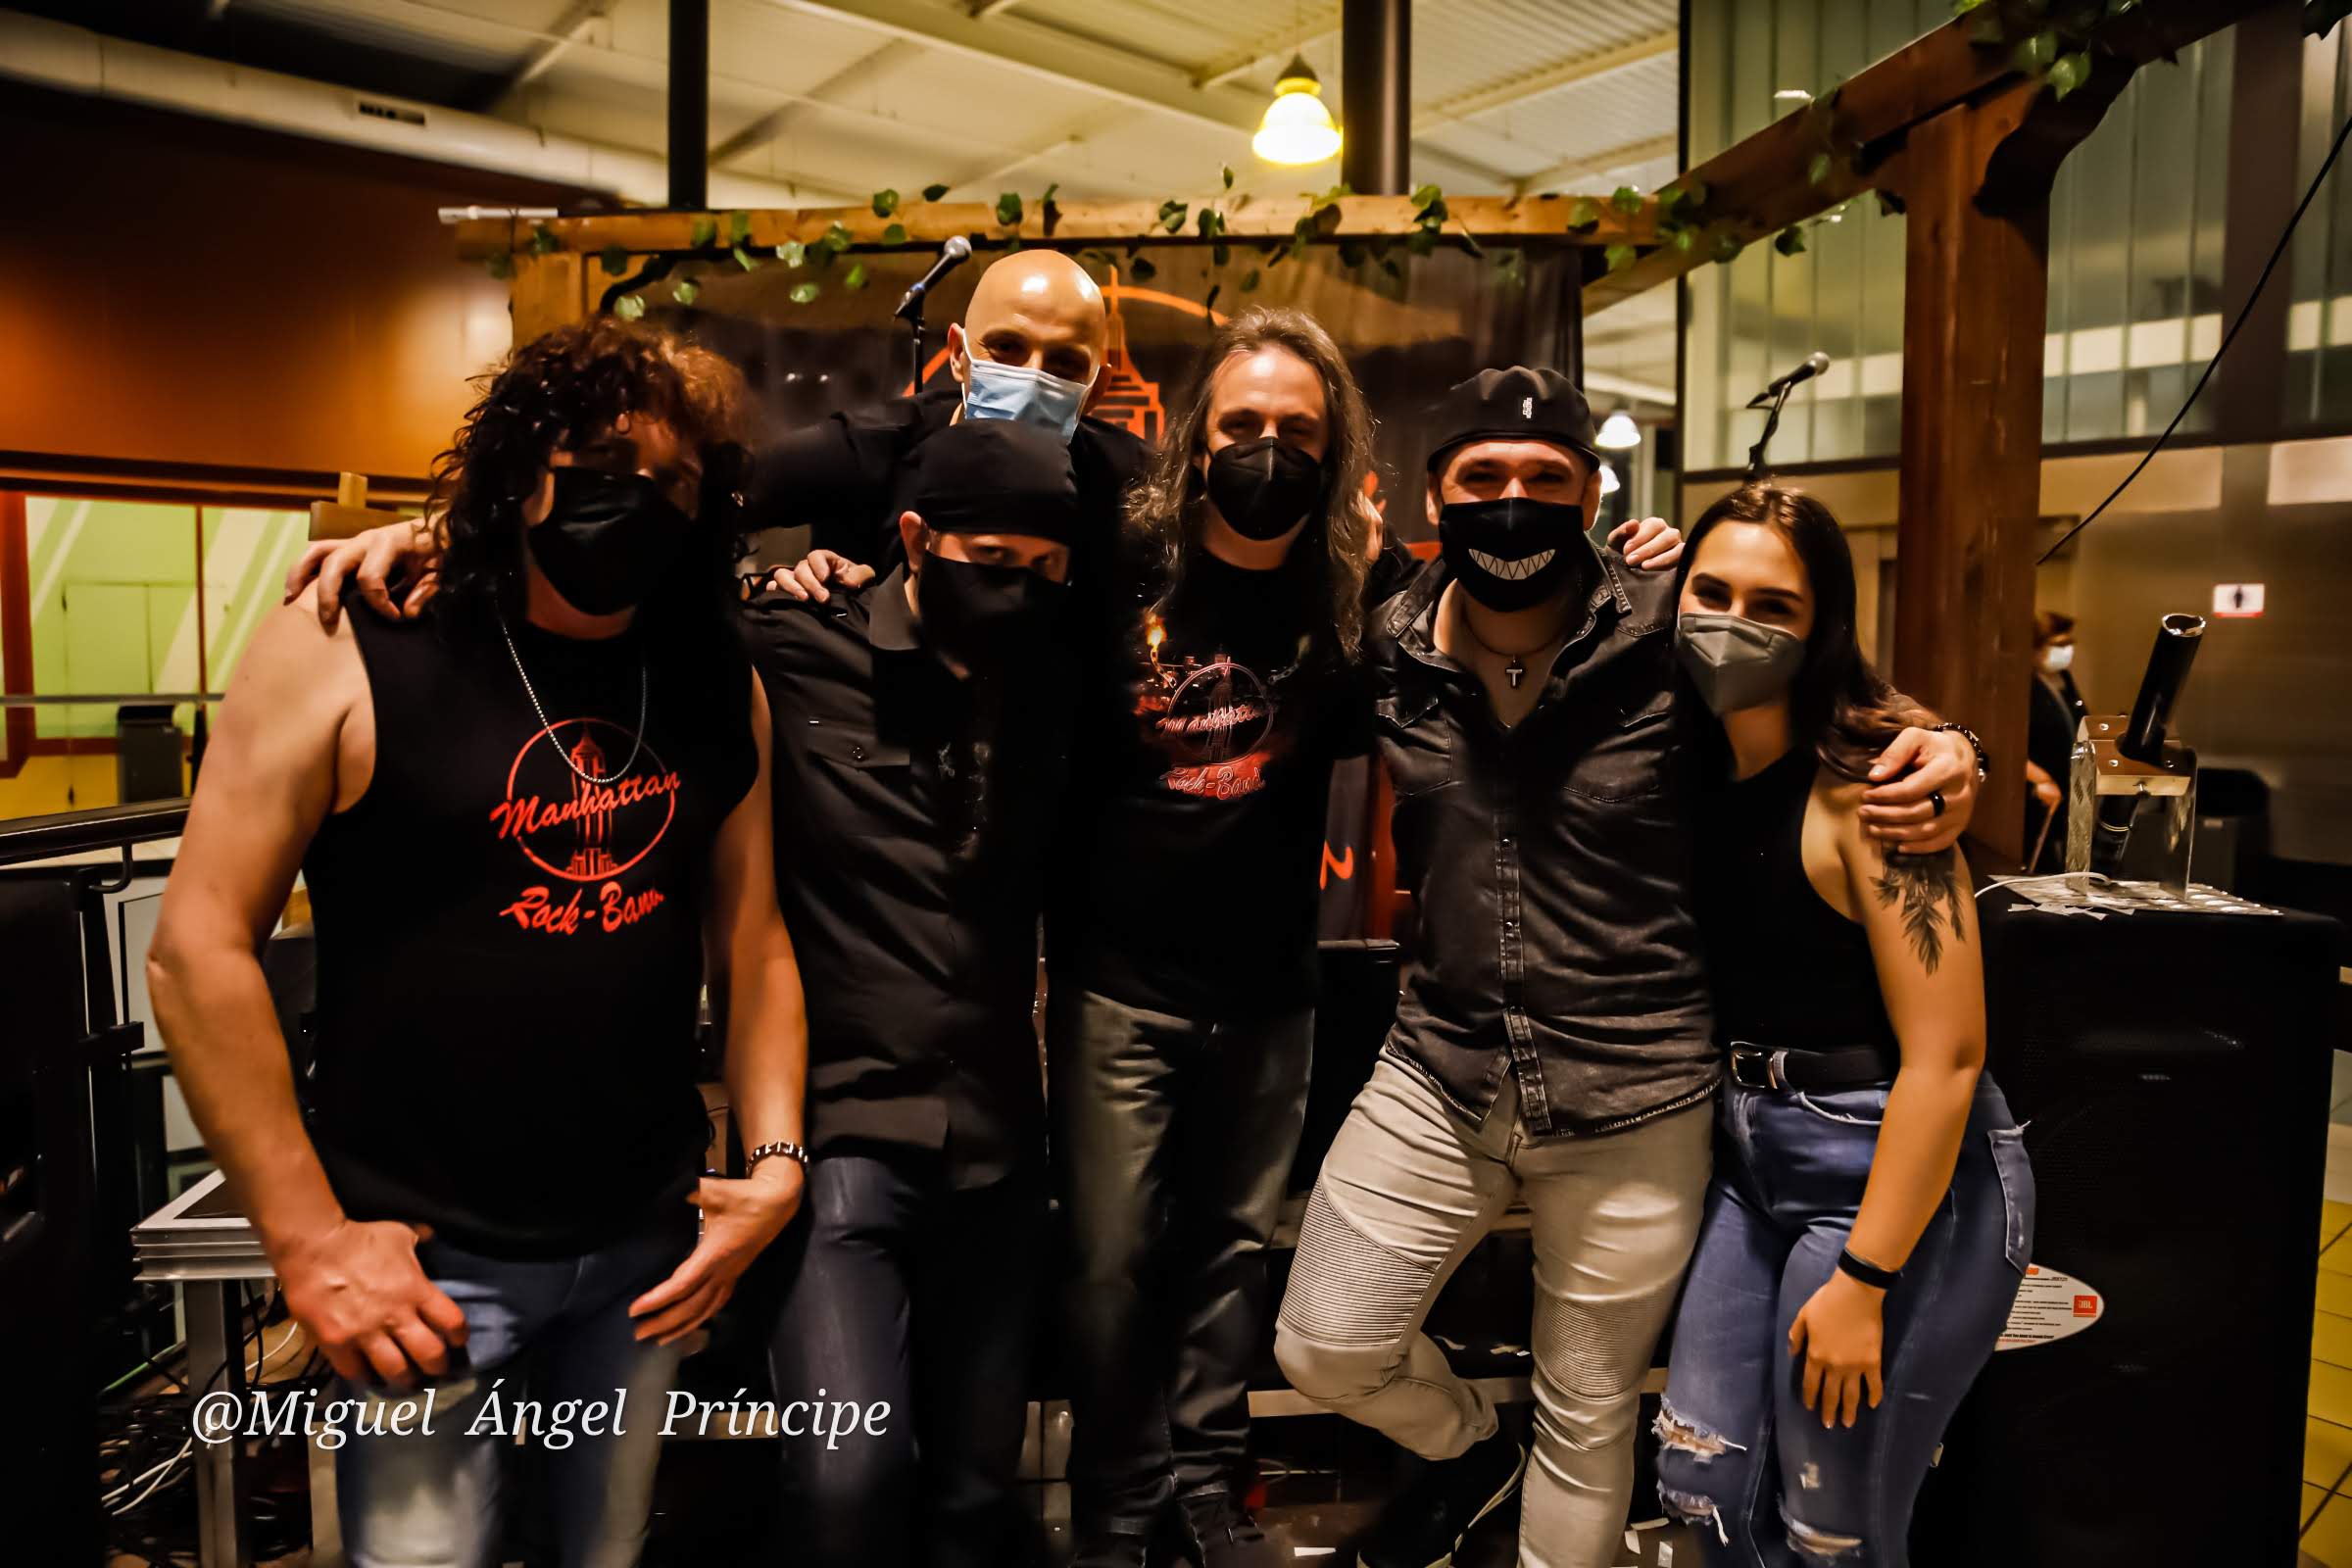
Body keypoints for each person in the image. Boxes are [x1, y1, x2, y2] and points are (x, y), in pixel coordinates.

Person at [1272, 370, 1986, 1568]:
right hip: (1438, 1071)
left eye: (1545, 477)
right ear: (1436, 496)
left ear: (1593, 495)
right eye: (1482, 476)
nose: (1512, 498)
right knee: (1323, 1344)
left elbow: (1825, 688)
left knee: (1591, 1414)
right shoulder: (1387, 640)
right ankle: (1470, 1448)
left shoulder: (1669, 630)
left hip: (1638, 1091)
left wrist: (1950, 745)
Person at [148, 319, 810, 1567]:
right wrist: (309, 1239)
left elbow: (754, 939)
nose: (634, 503)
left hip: (644, 1250)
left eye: (671, 482)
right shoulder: (351, 637)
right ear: (518, 472)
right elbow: (195, 950)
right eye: (598, 469)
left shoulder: (717, 678)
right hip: (423, 1263)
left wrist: (774, 1163)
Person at [1650, 483, 2034, 1567]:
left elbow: (1949, 1056)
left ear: (1821, 626)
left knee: (1835, 1527)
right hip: (1751, 1162)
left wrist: (1865, 1280)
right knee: (1700, 1482)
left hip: (1898, 1177)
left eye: (1773, 606)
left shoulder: (1881, 796)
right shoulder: (1689, 760)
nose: (1733, 624)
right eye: (1711, 593)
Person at [736, 417, 1084, 1568]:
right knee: (848, 1480)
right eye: (992, 560)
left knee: (978, 1496)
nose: (1017, 585)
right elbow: (619, 603)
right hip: (839, 1137)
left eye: (1043, 566)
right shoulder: (791, 640)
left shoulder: (1056, 679)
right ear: (919, 539)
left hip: (999, 1145)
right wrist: (426, 541)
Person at [284, 250, 1144, 625]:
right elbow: (674, 495)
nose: (1032, 374)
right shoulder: (872, 447)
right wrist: (447, 533)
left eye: (1064, 362)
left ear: (1099, 385)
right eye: (1007, 349)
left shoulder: (1131, 482)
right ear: (956, 353)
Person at [2026, 610, 2086, 871]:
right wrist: (2039, 779)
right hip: (2033, 799)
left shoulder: (2061, 681)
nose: (2066, 651)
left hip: (2063, 792)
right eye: (2058, 645)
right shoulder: (2023, 685)